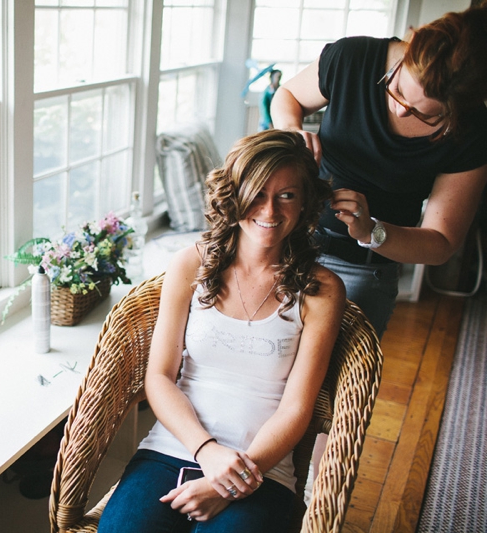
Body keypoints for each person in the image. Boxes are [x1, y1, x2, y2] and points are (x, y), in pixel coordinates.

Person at [97, 130, 345, 533]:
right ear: (234, 194)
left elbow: (297, 409)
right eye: (257, 192)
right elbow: (159, 377)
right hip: (171, 448)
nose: (269, 209)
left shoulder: (321, 290)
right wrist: (207, 452)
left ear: (304, 203)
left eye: (286, 195)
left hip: (261, 466)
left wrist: (229, 482)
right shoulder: (189, 265)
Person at [270, 5, 487, 338]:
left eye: (424, 115)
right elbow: (287, 95)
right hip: (289, 242)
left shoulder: (472, 133)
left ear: (457, 115)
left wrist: (371, 231)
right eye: (398, 89)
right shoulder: (352, 57)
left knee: (338, 384)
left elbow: (441, 243)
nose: (400, 111)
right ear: (409, 48)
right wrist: (291, 130)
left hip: (363, 273)